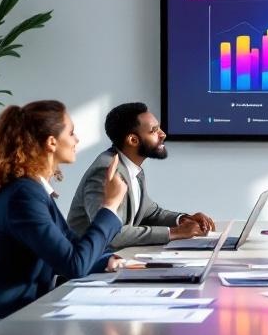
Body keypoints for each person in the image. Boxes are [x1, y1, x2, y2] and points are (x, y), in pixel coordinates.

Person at [0, 100, 125, 318]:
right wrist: (109, 206)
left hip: (21, 311)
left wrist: (107, 260)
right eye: (71, 133)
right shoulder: (23, 196)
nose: (77, 140)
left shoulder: (32, 189)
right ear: (51, 142)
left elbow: (70, 247)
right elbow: (74, 266)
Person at [67, 102, 215, 249]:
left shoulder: (132, 168)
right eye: (154, 131)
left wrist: (184, 219)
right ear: (133, 140)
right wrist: (174, 232)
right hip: (90, 267)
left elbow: (150, 213)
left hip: (116, 260)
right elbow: (111, 234)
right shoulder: (106, 171)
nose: (163, 134)